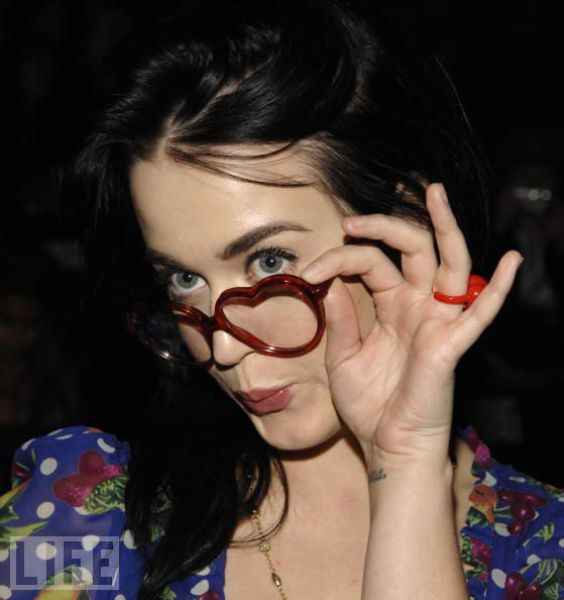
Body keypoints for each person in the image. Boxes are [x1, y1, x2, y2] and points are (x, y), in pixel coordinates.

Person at [2, 1, 564, 599]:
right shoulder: (75, 520)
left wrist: (405, 466)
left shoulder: (542, 552)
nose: (222, 346)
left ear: (404, 223)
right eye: (184, 279)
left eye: (270, 262)